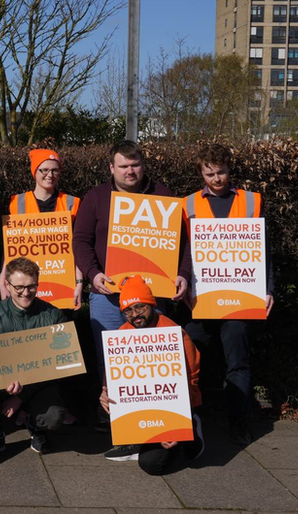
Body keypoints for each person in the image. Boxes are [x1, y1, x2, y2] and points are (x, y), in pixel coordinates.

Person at [73, 141, 193, 431]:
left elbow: (183, 243)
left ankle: (149, 417)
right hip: (108, 294)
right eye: (123, 166)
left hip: (151, 296)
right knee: (109, 356)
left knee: (148, 357)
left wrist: (183, 274)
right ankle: (112, 415)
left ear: (143, 164)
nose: (130, 170)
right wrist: (92, 273)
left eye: (135, 164)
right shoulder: (96, 197)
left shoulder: (162, 195)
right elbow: (80, 241)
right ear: (111, 168)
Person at [183, 143, 274, 445]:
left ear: (229, 170)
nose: (216, 178)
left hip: (240, 302)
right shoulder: (188, 205)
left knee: (238, 363)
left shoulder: (250, 202)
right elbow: (180, 252)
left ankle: (239, 423)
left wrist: (268, 289)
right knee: (185, 354)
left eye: (221, 172)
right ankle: (184, 420)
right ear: (201, 174)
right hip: (202, 300)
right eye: (209, 173)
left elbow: (264, 251)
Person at [99, 275, 204, 474]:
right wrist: (105, 392)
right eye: (128, 310)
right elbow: (112, 375)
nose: (135, 314)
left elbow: (192, 380)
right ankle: (138, 440)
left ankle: (193, 429)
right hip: (143, 406)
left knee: (152, 464)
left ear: (152, 305)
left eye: (140, 307)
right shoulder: (122, 334)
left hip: (176, 406)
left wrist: (176, 425)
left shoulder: (175, 333)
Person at [0, 257, 67, 459]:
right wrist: (5, 382)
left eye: (31, 286)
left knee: (54, 417)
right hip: (2, 380)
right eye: (19, 287)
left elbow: (59, 366)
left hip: (40, 383)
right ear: (7, 285)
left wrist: (20, 397)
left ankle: (35, 426)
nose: (26, 293)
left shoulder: (53, 315)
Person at [4, 148, 84, 308]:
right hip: (25, 287)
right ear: (34, 171)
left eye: (55, 170)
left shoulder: (72, 203)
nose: (50, 175)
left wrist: (79, 282)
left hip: (62, 285)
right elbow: (8, 249)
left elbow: (79, 248)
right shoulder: (15, 203)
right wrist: (3, 282)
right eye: (44, 170)